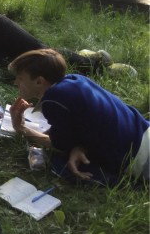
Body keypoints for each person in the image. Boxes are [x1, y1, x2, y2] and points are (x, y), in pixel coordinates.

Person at [9, 49, 149, 185]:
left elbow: (58, 145)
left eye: (20, 79)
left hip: (138, 158)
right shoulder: (75, 79)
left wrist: (21, 128)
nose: (15, 82)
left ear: (39, 81)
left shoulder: (53, 101)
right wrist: (77, 146)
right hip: (144, 130)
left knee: (61, 162)